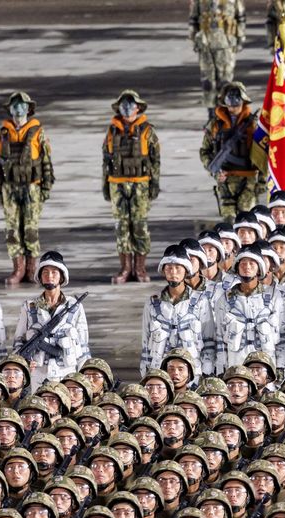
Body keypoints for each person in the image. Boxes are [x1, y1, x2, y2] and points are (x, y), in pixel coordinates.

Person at [0, 91, 54, 285]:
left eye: (21, 105)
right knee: (12, 230)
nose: (18, 109)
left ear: (28, 109)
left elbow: (46, 161)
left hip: (32, 187)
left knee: (30, 229)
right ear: (9, 109)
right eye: (14, 105)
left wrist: (45, 187)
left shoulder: (38, 132)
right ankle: (18, 269)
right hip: (10, 188)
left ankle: (31, 269)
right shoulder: (3, 133)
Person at [102, 90, 161, 283]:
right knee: (121, 226)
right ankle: (125, 268)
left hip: (140, 184)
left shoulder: (146, 130)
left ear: (138, 108)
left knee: (140, 225)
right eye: (123, 105)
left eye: (131, 105)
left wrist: (154, 184)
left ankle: (140, 268)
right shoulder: (112, 130)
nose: (127, 109)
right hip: (117, 184)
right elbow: (106, 159)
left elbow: (155, 160)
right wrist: (105, 184)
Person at [12, 252, 90, 390]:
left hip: (67, 372)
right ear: (40, 277)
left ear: (61, 276)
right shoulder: (29, 307)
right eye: (45, 272)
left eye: (54, 272)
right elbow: (19, 340)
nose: (49, 276)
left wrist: (84, 376)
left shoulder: (74, 306)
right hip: (39, 373)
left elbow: (83, 345)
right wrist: (24, 363)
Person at [141, 244, 210, 376]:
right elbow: (145, 341)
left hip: (192, 374)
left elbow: (209, 340)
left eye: (178, 268)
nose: (173, 272)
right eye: (169, 268)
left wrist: (207, 371)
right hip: (160, 374)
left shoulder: (201, 301)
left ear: (186, 270)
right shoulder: (152, 304)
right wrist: (145, 372)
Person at [200, 82, 260, 222]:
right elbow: (205, 150)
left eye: (237, 104)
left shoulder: (253, 124)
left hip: (248, 180)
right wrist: (215, 171)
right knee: (228, 223)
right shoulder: (215, 125)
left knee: (246, 222)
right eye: (230, 105)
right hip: (225, 181)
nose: (233, 108)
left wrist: (262, 181)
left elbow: (263, 154)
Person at [189, 0, 246, 117]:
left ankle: (225, 115)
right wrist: (194, 39)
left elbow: (240, 17)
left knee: (225, 83)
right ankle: (212, 116)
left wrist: (240, 38)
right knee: (208, 82)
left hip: (226, 44)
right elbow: (193, 19)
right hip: (206, 44)